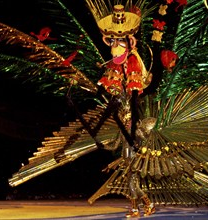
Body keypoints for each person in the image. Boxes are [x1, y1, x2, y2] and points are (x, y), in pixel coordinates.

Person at [93, 4, 155, 217]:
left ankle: (139, 206)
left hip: (131, 124)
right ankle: (145, 203)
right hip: (122, 122)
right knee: (129, 168)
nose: (115, 45)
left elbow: (135, 95)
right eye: (112, 41)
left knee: (130, 167)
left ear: (129, 42)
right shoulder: (113, 67)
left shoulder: (132, 63)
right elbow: (113, 98)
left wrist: (132, 125)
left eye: (119, 41)